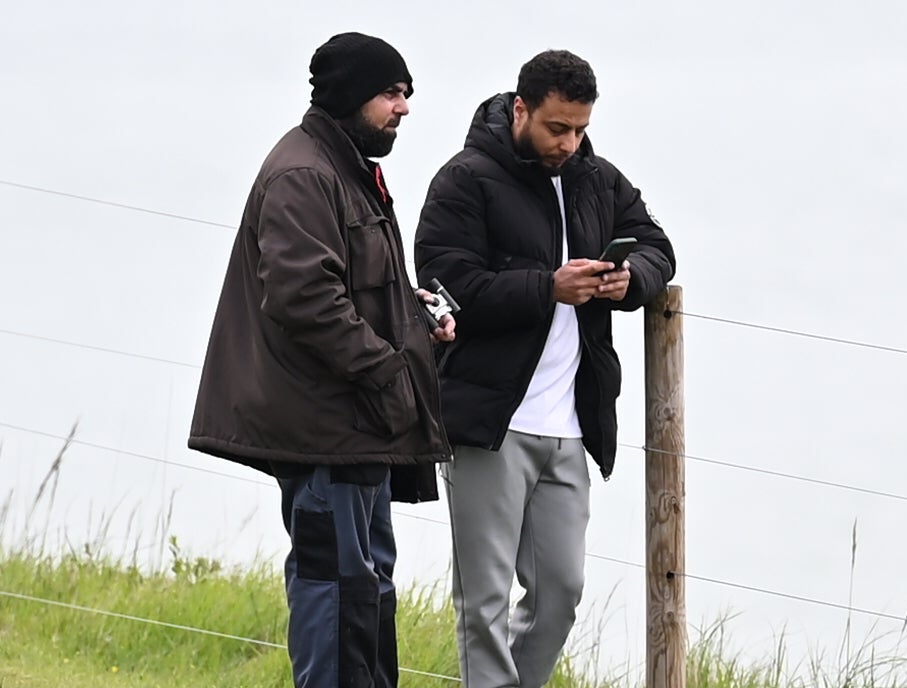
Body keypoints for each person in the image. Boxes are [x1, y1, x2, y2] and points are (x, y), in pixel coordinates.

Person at [187, 32, 454, 688]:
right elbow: (304, 299)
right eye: (392, 94)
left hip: (357, 429)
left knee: (364, 591)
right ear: (352, 95)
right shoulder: (307, 172)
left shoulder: (347, 167)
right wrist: (389, 372)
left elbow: (346, 287)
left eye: (407, 94)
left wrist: (413, 318)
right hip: (327, 428)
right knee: (334, 590)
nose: (404, 108)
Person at [414, 49, 676, 687]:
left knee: (561, 593)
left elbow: (658, 247)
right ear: (522, 109)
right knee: (484, 601)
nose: (570, 141)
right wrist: (546, 288)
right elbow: (445, 288)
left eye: (581, 128)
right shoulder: (464, 179)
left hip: (569, 427)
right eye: (558, 127)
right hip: (489, 424)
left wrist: (627, 280)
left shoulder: (597, 178)